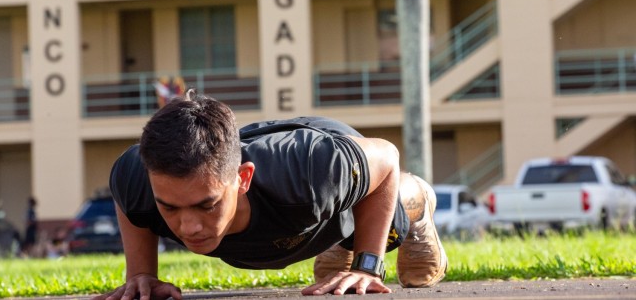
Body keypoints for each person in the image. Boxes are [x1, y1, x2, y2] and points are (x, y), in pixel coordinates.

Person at [94, 90, 447, 299]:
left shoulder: (311, 169)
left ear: (243, 178)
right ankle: (335, 244)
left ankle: (417, 198)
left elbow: (385, 156)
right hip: (301, 207)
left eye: (207, 204)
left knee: (394, 233)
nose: (189, 227)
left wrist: (367, 267)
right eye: (169, 207)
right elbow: (129, 199)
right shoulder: (137, 175)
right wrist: (141, 275)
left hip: (333, 170)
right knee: (319, 236)